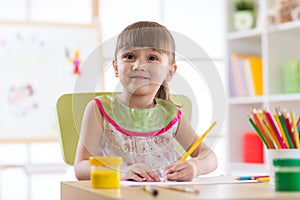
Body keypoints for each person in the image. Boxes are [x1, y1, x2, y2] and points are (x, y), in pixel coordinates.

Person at [74, 21, 217, 182]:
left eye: (152, 58)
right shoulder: (99, 109)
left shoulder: (170, 114)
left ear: (169, 72)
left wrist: (195, 167)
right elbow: (81, 167)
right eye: (129, 56)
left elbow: (209, 157)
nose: (139, 65)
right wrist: (120, 172)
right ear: (115, 67)